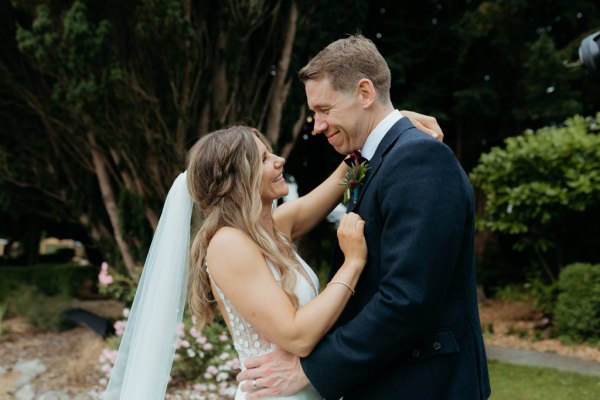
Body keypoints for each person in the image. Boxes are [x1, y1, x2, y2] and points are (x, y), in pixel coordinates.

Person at [103, 117, 440, 399]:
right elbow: (297, 335)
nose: (278, 160)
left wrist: (393, 123)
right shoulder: (227, 244)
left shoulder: (274, 227)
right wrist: (352, 264)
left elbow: (346, 172)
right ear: (237, 179)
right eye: (263, 159)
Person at [237, 34, 491, 400]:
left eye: (325, 110)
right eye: (314, 113)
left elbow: (408, 298)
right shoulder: (377, 160)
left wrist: (313, 368)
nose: (317, 125)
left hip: (423, 386)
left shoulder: (420, 160)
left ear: (365, 93)